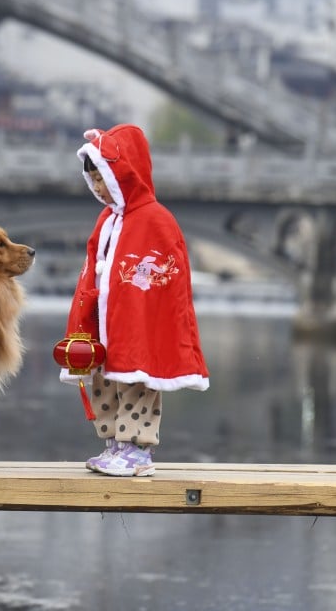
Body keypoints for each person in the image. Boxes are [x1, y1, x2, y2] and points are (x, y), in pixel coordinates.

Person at [59, 124, 210, 477]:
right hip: (106, 320)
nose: (98, 187)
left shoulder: (157, 220)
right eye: (94, 180)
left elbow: (168, 283)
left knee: (137, 383)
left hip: (137, 323)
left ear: (123, 174)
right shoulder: (107, 220)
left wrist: (146, 314)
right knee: (105, 383)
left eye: (104, 177)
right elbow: (92, 270)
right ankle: (114, 444)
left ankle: (138, 450)